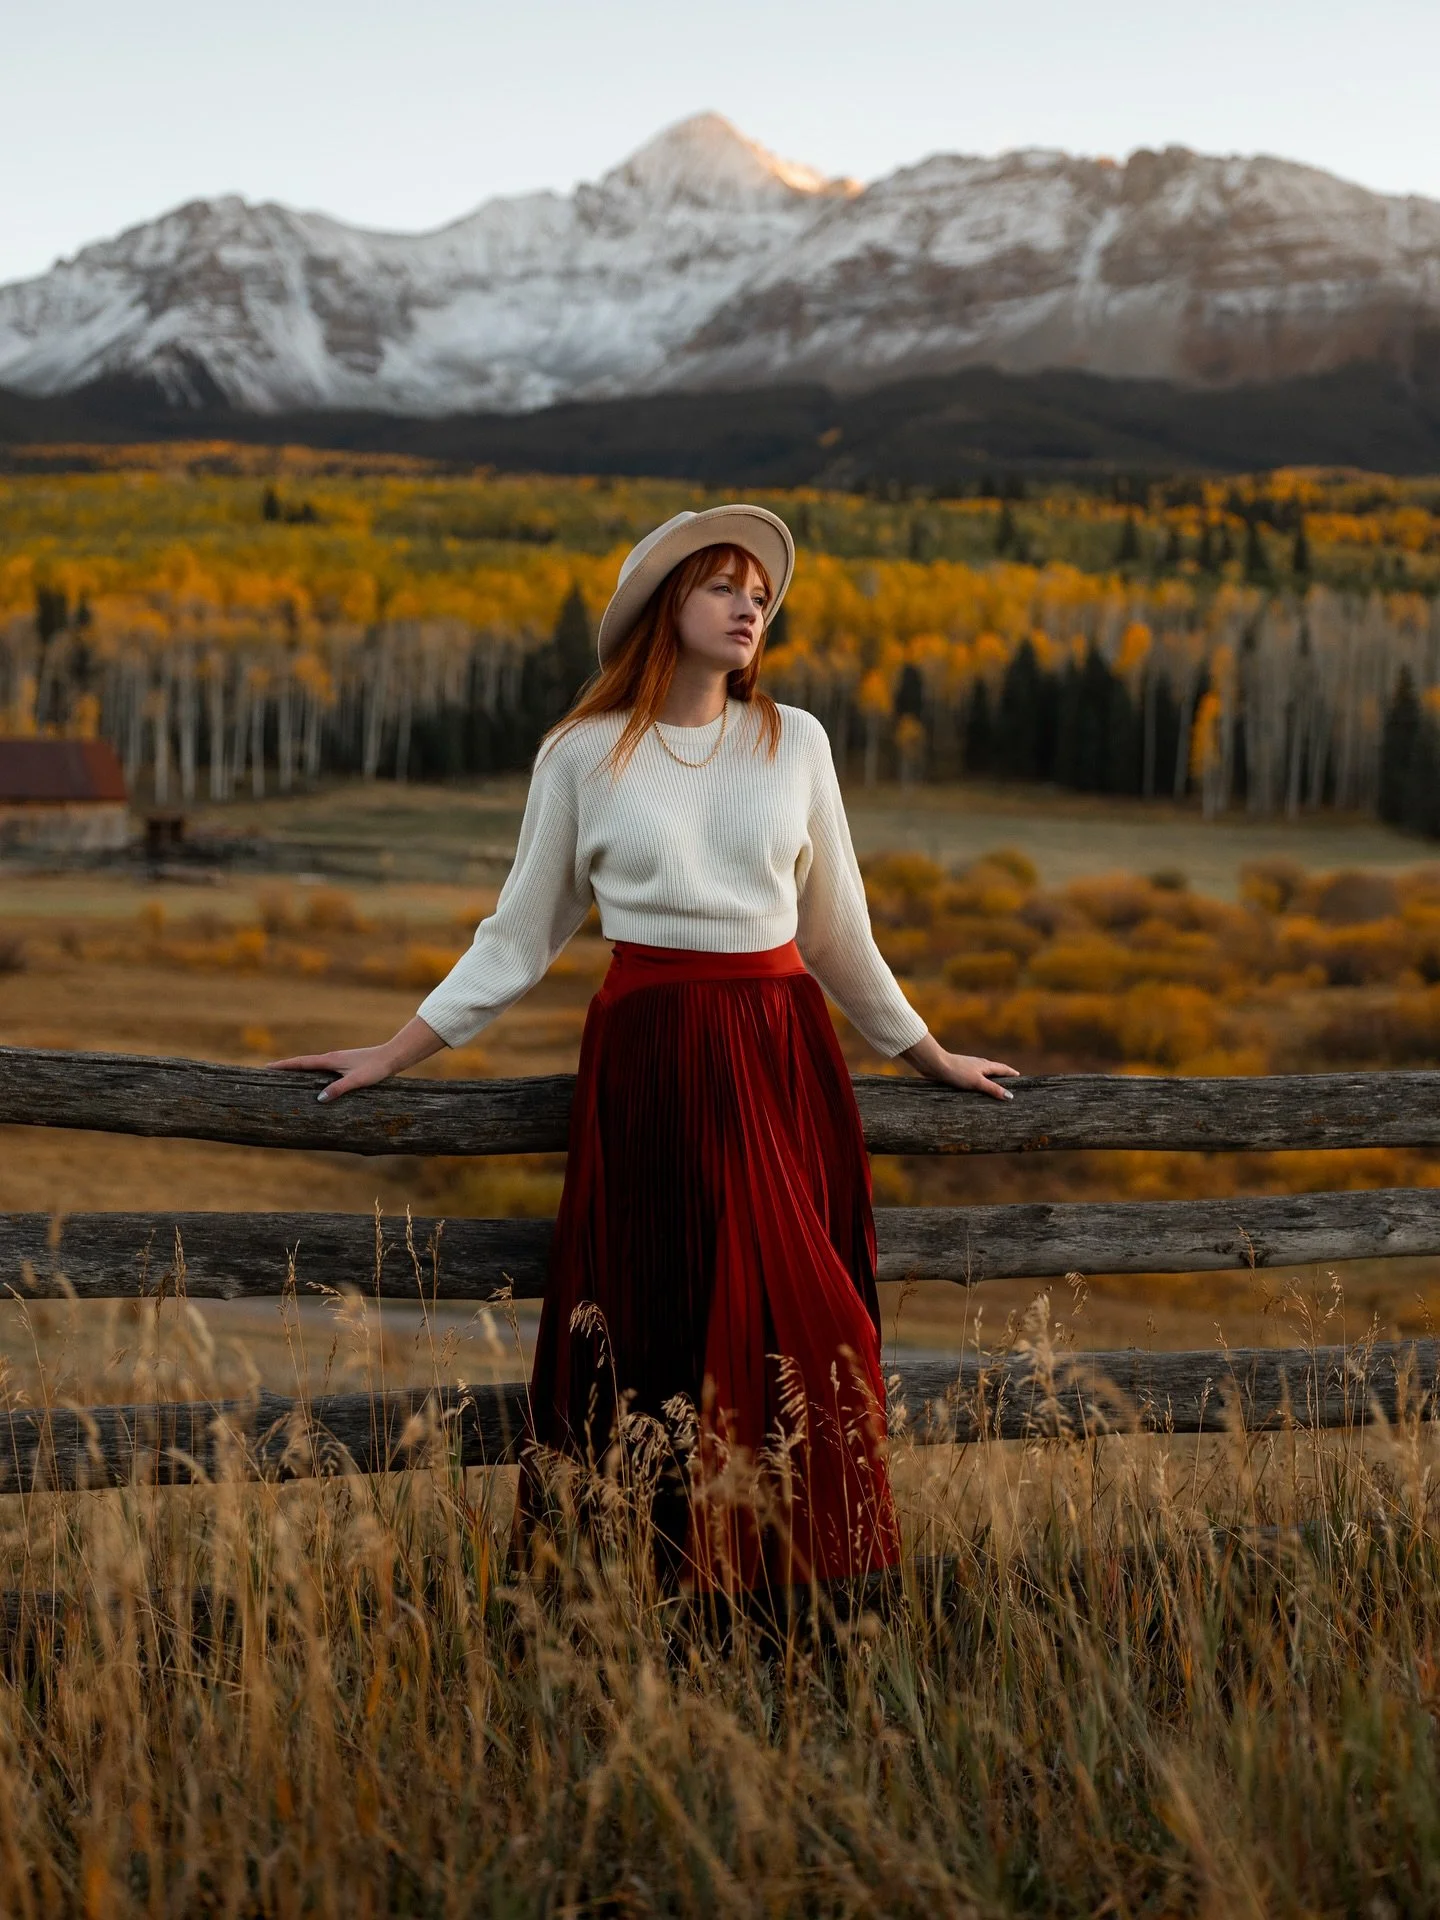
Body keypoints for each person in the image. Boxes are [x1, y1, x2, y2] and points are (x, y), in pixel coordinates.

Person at [272, 505, 1018, 1596]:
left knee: (815, 1323)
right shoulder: (582, 755)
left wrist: (930, 1055)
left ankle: (811, 1593)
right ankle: (650, 1591)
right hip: (651, 1057)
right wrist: (395, 1051)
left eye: (761, 594)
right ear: (666, 605)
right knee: (658, 1325)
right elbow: (519, 937)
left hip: (777, 1049)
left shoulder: (794, 741)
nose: (750, 607)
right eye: (726, 587)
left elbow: (836, 931)